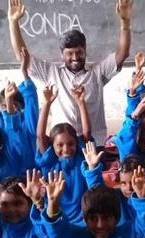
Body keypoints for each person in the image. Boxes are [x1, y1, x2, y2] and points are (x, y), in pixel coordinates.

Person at [7, 0, 133, 144]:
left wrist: (125, 23)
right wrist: (13, 23)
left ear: (85, 50)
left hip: (94, 141)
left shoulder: (98, 71)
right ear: (61, 54)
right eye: (69, 53)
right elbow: (22, 56)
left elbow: (122, 53)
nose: (75, 57)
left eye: (79, 52)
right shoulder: (51, 72)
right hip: (63, 143)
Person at [36, 84, 102, 224]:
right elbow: (40, 136)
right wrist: (46, 104)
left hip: (84, 219)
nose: (66, 149)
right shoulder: (50, 163)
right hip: (57, 218)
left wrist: (81, 102)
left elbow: (87, 133)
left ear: (76, 144)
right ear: (52, 146)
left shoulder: (81, 160)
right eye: (60, 145)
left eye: (71, 144)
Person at [0, 47, 39, 170]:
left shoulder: (29, 122)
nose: (10, 107)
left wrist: (24, 72)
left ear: (22, 105)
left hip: (32, 172)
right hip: (7, 175)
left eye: (15, 104)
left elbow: (31, 98)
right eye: (5, 105)